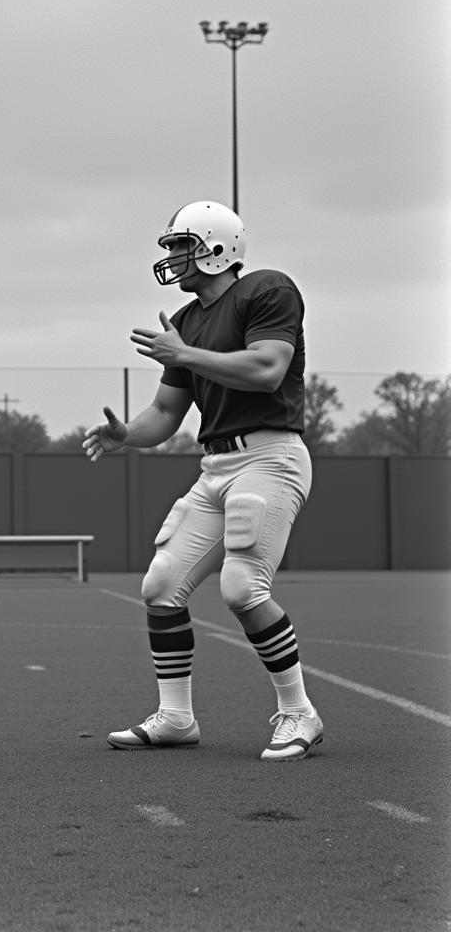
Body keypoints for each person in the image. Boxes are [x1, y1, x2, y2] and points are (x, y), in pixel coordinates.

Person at [83, 200, 323, 762]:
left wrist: (184, 352)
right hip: (215, 465)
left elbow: (267, 370)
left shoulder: (266, 289)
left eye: (179, 245)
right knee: (161, 586)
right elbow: (166, 414)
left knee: (242, 588)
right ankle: (176, 717)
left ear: (217, 247)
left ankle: (300, 713)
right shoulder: (187, 321)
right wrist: (127, 434)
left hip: (270, 456)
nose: (171, 258)